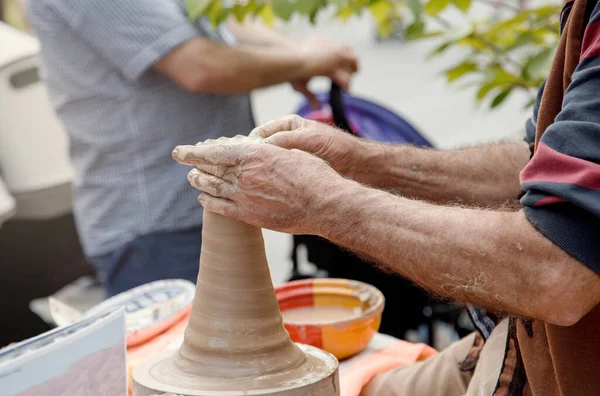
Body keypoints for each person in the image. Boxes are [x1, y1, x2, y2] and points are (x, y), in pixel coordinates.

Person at [172, 0, 600, 393]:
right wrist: (364, 160)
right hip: (523, 340)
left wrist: (322, 202)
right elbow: (531, 163)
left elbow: (557, 272)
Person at [26, 0, 357, 297]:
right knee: (199, 356)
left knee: (242, 348)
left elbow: (218, 12)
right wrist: (306, 60)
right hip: (156, 229)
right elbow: (199, 66)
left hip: (202, 209)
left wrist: (297, 56)